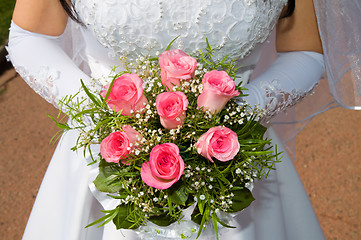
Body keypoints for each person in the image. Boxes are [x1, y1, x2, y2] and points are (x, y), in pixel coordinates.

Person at [6, 0, 361, 239]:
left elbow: (304, 50)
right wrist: (102, 113)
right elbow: (30, 35)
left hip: (235, 151)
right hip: (102, 150)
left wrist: (237, 111)